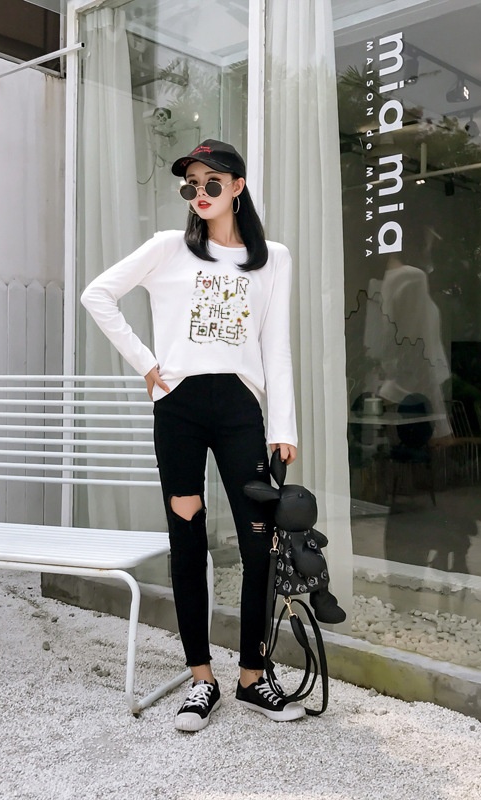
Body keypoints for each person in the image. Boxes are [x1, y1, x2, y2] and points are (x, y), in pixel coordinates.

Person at [81, 140, 303, 732]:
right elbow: (97, 294)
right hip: (178, 408)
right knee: (187, 538)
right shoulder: (167, 248)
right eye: (191, 185)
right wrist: (146, 364)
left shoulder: (272, 259)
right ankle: (201, 677)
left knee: (259, 544)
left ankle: (252, 676)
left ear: (238, 187)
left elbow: (276, 345)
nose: (199, 194)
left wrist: (283, 425)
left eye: (212, 183)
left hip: (239, 410)